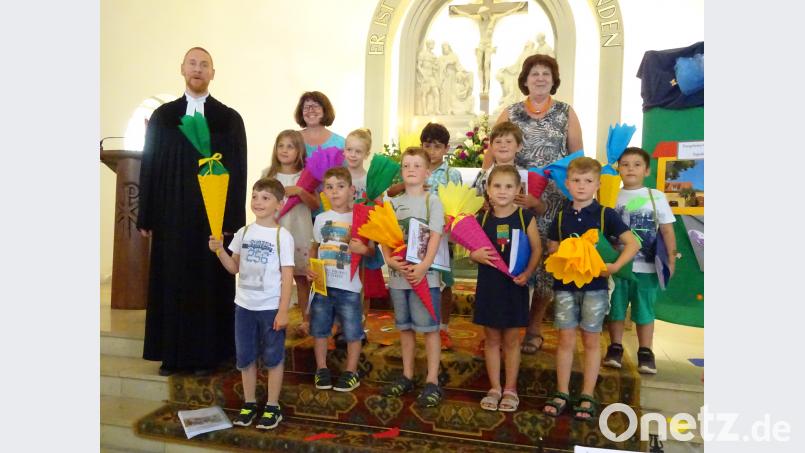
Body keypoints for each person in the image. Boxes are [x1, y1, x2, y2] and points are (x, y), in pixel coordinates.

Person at [137, 47, 247, 376]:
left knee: (207, 283)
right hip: (171, 216)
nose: (198, 69)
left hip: (210, 220)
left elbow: (238, 171)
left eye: (205, 65)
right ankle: (172, 355)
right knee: (171, 282)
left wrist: (231, 222)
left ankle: (207, 356)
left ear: (213, 73)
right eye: (193, 64)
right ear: (182, 69)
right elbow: (150, 164)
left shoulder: (228, 119)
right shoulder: (164, 117)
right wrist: (147, 213)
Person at [494, 53, 583, 356]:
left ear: (554, 79)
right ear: (525, 79)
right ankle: (508, 325)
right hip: (513, 197)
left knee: (545, 263)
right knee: (514, 258)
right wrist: (486, 187)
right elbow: (492, 151)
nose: (540, 78)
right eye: (535, 74)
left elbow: (577, 158)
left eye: (546, 73)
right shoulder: (510, 111)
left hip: (553, 200)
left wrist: (578, 197)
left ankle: (534, 328)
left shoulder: (565, 112)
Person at [542, 157, 639, 421]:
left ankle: (587, 393)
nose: (582, 186)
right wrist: (564, 249)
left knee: (591, 339)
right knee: (565, 339)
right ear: (567, 184)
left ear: (597, 184)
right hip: (565, 287)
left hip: (595, 287)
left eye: (588, 181)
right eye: (576, 181)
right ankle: (562, 391)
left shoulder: (606, 214)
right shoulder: (561, 217)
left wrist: (616, 265)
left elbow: (632, 243)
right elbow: (551, 246)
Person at [208, 178, 293, 430]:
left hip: (269, 308)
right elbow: (233, 268)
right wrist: (220, 250)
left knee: (273, 356)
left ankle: (272, 406)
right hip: (244, 306)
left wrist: (283, 309)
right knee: (245, 356)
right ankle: (249, 403)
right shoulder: (243, 233)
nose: (258, 201)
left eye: (266, 197)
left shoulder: (282, 236)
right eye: (255, 196)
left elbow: (287, 275)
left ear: (280, 204)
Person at [471, 166, 541, 412]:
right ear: (488, 190)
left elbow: (537, 249)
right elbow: (471, 249)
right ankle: (494, 387)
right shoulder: (480, 219)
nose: (502, 191)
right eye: (497, 186)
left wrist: (528, 273)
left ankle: (510, 388)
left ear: (518, 190)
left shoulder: (525, 218)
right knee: (491, 339)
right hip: (489, 287)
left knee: (511, 340)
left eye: (509, 186)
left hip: (514, 287)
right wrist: (474, 255)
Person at [381, 147, 446, 408]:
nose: (411, 170)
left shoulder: (433, 201)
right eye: (406, 165)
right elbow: (384, 235)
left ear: (427, 172)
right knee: (405, 327)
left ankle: (432, 379)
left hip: (425, 277)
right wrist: (388, 259)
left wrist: (424, 267)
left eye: (417, 165)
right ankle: (407, 374)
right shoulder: (393, 204)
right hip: (398, 277)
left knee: (429, 329)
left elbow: (435, 237)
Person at [603, 147, 677, 374]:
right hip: (618, 265)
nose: (630, 168)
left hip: (647, 266)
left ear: (646, 170)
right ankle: (615, 347)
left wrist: (671, 260)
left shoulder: (656, 196)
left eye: (636, 164)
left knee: (644, 310)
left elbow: (666, 230)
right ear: (618, 169)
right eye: (625, 164)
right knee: (616, 308)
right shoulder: (610, 194)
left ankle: (645, 352)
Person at [389, 123, 461, 350]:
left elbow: (457, 202)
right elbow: (392, 193)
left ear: (446, 148)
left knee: (443, 281)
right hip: (410, 235)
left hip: (439, 234)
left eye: (437, 146)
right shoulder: (411, 168)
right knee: (414, 275)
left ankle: (443, 327)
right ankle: (414, 323)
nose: (431, 151)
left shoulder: (452, 173)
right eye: (427, 145)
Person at [307, 168, 374, 392]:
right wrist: (310, 267)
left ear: (352, 190)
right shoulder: (321, 219)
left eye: (340, 186)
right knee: (319, 327)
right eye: (329, 187)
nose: (334, 192)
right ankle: (321, 368)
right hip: (323, 284)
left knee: (353, 329)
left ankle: (351, 371)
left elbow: (372, 252)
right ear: (324, 191)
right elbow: (314, 247)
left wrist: (362, 248)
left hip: (349, 285)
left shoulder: (360, 217)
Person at [262, 130, 319, 335]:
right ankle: (275, 316)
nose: (284, 150)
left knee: (302, 279)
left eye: (290, 146)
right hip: (275, 234)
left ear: (299, 151)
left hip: (300, 233)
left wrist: (301, 191)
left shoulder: (305, 176)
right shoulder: (269, 174)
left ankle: (306, 320)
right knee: (274, 277)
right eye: (281, 146)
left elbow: (315, 205)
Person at [472, 121, 529, 199]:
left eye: (508, 141)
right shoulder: (483, 176)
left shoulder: (525, 175)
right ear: (491, 146)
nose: (503, 145)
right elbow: (474, 202)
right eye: (498, 142)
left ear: (519, 146)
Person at [294, 91, 344, 157]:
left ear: (325, 110)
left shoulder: (340, 143)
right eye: (306, 107)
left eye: (316, 106)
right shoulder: (292, 139)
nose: (310, 110)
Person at [343, 129, 371, 204]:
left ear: (366, 155)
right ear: (344, 151)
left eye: (358, 151)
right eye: (349, 150)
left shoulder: (370, 180)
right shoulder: (338, 177)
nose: (353, 155)